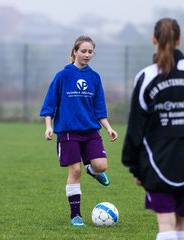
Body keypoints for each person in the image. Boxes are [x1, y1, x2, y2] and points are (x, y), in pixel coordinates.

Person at [122, 18, 184, 240]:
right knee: (183, 223)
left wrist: (135, 168)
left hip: (157, 163)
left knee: (166, 224)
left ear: (154, 40)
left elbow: (136, 128)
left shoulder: (146, 77)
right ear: (179, 40)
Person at [40, 35, 118, 227]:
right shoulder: (62, 76)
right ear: (75, 51)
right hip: (68, 132)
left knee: (101, 166)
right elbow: (50, 104)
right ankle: (76, 215)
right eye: (83, 51)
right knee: (75, 171)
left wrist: (108, 128)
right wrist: (49, 127)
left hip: (90, 131)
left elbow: (99, 109)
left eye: (90, 51)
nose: (87, 55)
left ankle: (92, 170)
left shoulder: (94, 77)